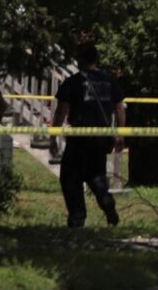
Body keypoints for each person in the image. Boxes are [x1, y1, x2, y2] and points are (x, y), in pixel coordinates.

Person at [50, 41, 126, 227]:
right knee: (96, 175)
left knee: (70, 177)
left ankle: (77, 217)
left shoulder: (74, 82)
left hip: (79, 139)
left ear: (81, 60)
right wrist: (120, 134)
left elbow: (61, 110)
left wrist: (54, 134)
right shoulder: (110, 81)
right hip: (101, 139)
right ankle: (107, 202)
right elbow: (120, 108)